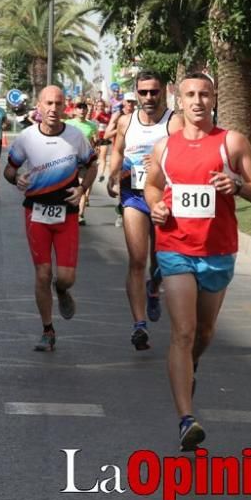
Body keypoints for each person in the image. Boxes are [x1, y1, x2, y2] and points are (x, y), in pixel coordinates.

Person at [144, 72, 251, 452]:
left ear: (214, 99)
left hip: (216, 252)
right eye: (190, 95)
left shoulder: (231, 142)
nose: (197, 101)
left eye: (204, 94)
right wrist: (156, 206)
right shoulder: (164, 147)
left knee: (203, 334)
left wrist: (239, 186)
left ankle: (190, 366)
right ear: (178, 101)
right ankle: (186, 419)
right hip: (175, 248)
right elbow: (152, 184)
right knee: (183, 332)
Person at [4, 86, 98, 352]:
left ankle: (63, 290)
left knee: (66, 277)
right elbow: (9, 170)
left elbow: (92, 164)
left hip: (66, 212)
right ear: (39, 106)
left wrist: (81, 189)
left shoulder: (75, 136)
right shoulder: (26, 138)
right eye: (48, 103)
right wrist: (17, 178)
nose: (53, 109)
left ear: (64, 106)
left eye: (58, 103)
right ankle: (47, 329)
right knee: (42, 274)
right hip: (36, 211)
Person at [109, 71, 183, 351]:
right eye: (143, 92)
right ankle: (139, 325)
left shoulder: (174, 122)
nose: (149, 97)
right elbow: (118, 149)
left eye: (154, 92)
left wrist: (164, 158)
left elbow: (185, 152)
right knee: (137, 260)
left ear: (163, 91)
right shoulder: (127, 121)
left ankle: (155, 287)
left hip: (165, 198)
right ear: (136, 93)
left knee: (161, 261)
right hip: (134, 196)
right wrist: (112, 174)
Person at [105, 93, 138, 227]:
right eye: (128, 102)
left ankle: (133, 211)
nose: (130, 105)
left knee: (134, 186)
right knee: (120, 187)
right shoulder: (117, 115)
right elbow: (107, 134)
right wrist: (120, 129)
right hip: (119, 154)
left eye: (133, 102)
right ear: (123, 102)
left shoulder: (138, 116)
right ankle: (121, 213)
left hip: (133, 156)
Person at [65, 102, 99, 225]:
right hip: (70, 159)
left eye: (84, 108)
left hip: (85, 159)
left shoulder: (92, 125)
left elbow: (96, 141)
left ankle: (80, 214)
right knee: (68, 185)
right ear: (75, 110)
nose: (82, 111)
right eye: (79, 108)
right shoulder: (68, 124)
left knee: (82, 186)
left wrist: (96, 145)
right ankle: (68, 211)